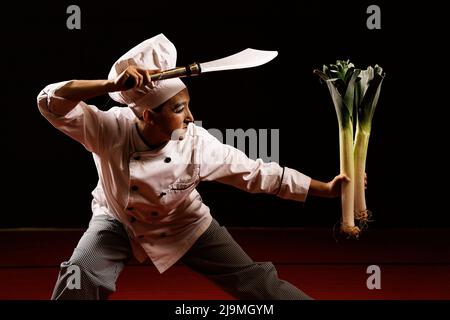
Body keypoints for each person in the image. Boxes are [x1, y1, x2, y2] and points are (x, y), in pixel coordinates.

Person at [38, 34, 350, 300]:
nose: (189, 117)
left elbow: (257, 174)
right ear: (147, 116)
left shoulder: (198, 143)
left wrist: (326, 188)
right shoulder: (109, 129)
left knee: (258, 283)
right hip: (117, 221)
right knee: (79, 277)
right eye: (178, 109)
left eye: (188, 106)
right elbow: (50, 102)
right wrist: (109, 84)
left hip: (185, 224)